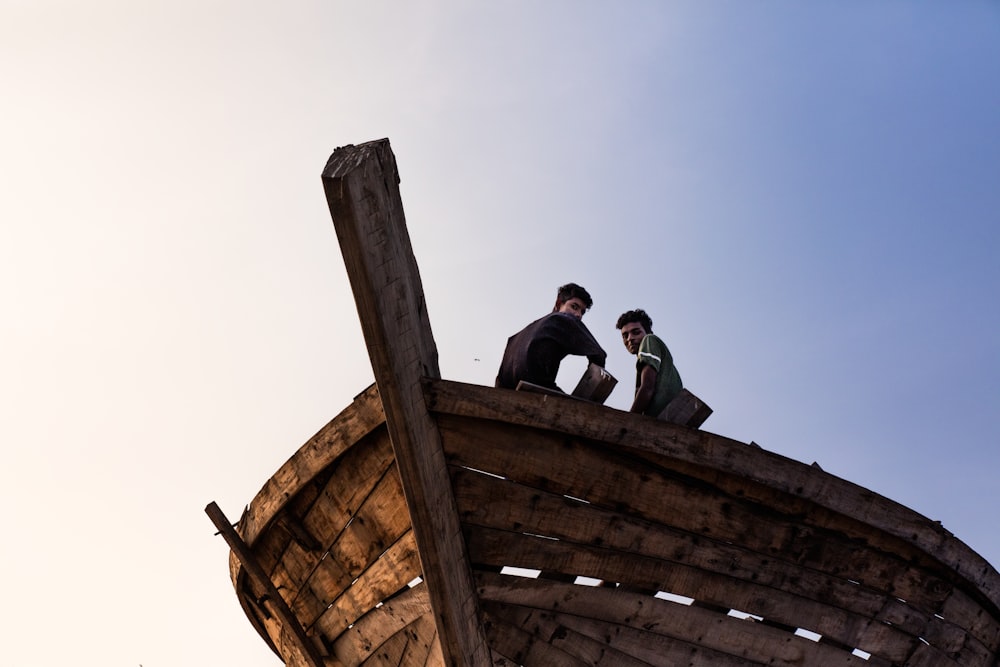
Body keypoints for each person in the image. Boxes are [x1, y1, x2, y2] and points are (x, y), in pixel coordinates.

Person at [496, 283, 607, 392]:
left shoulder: (516, 338)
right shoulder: (563, 319)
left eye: (582, 312)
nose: (578, 315)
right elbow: (599, 355)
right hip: (537, 391)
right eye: (574, 307)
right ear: (558, 304)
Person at [616, 308, 682, 417]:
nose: (630, 338)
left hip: (663, 417)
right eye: (625, 336)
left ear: (648, 332)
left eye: (636, 332)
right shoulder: (647, 359)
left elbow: (647, 388)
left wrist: (627, 421)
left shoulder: (649, 340)